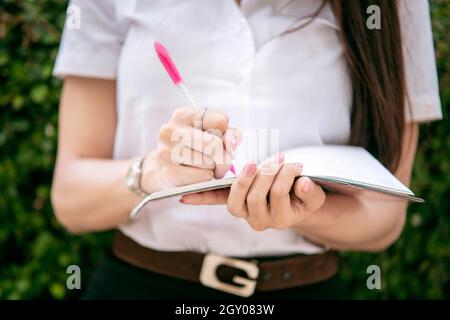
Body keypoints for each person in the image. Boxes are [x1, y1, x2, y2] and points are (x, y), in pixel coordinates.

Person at [51, 0, 442, 299]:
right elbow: (71, 199)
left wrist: (297, 209)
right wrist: (156, 173)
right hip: (139, 285)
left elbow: (383, 221)